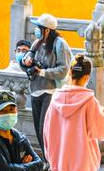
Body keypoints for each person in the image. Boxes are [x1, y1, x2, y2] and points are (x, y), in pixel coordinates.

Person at [43, 53, 104, 171]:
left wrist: (51, 159)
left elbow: (47, 132)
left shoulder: (55, 100)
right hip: (84, 164)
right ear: (87, 77)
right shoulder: (90, 101)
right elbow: (101, 132)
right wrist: (102, 114)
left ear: (70, 73)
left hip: (62, 163)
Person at [20, 13, 74, 162]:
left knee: (46, 129)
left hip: (51, 91)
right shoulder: (36, 43)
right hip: (35, 90)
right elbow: (26, 64)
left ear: (47, 30)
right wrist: (27, 62)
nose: (36, 30)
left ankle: (53, 161)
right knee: (39, 129)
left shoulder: (59, 44)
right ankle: (47, 160)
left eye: (39, 28)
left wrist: (42, 72)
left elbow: (64, 69)